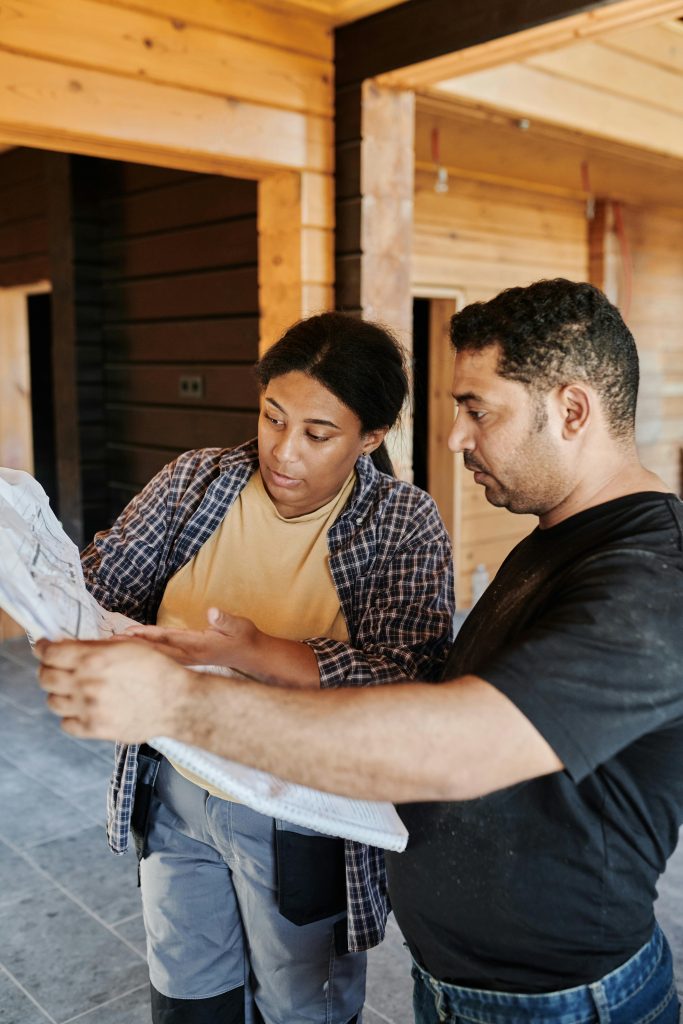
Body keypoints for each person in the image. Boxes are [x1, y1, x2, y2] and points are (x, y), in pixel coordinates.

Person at [39, 279, 683, 1024]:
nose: (454, 438)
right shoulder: (556, 540)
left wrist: (184, 698)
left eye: (476, 410)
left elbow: (454, 745)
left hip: (564, 1001)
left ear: (572, 410)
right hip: (468, 983)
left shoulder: (651, 579)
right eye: (273, 418)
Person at [66, 312, 456, 1024]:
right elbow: (104, 581)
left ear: (371, 437)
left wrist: (250, 652)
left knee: (299, 1006)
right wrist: (58, 609)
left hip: (297, 814)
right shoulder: (197, 480)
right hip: (176, 786)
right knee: (189, 997)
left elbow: (411, 685)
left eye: (317, 434)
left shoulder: (403, 522)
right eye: (273, 418)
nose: (283, 452)